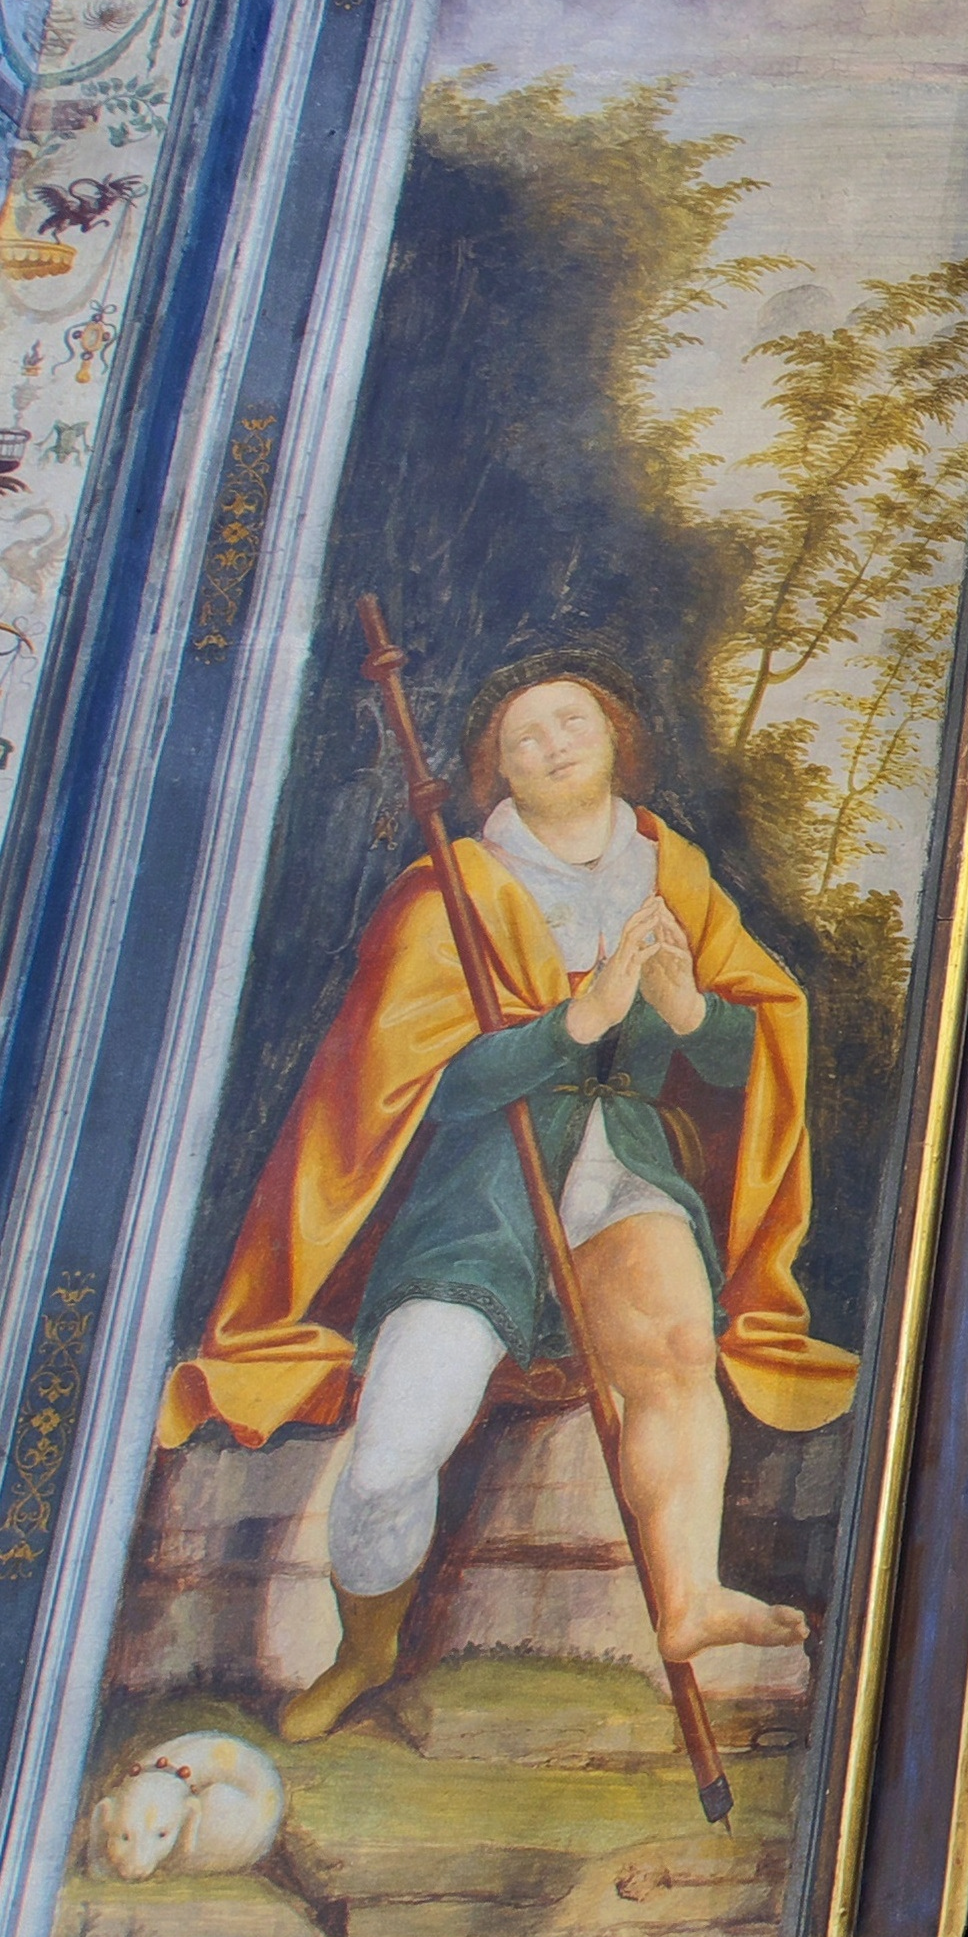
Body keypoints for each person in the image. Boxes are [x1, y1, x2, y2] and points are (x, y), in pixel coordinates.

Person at [159, 665, 853, 1742]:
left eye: (572, 720)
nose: (553, 744)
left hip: (620, 1174)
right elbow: (417, 1082)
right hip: (484, 1201)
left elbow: (736, 1056)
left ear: (618, 738)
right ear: (498, 772)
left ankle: (685, 1598)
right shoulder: (456, 886)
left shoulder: (674, 871)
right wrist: (573, 1023)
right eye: (524, 736)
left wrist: (685, 1009)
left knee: (677, 1341)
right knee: (396, 1451)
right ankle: (367, 1646)